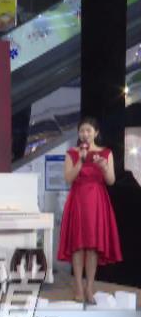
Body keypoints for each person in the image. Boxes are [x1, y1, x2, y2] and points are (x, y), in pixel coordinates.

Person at [57, 116, 122, 304]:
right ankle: (78, 286)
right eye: (82, 131)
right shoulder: (72, 153)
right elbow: (68, 178)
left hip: (97, 201)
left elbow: (111, 181)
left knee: (93, 247)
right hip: (78, 200)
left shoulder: (106, 153)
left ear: (96, 133)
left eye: (88, 130)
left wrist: (103, 167)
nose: (85, 134)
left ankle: (89, 287)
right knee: (78, 246)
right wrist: (80, 161)